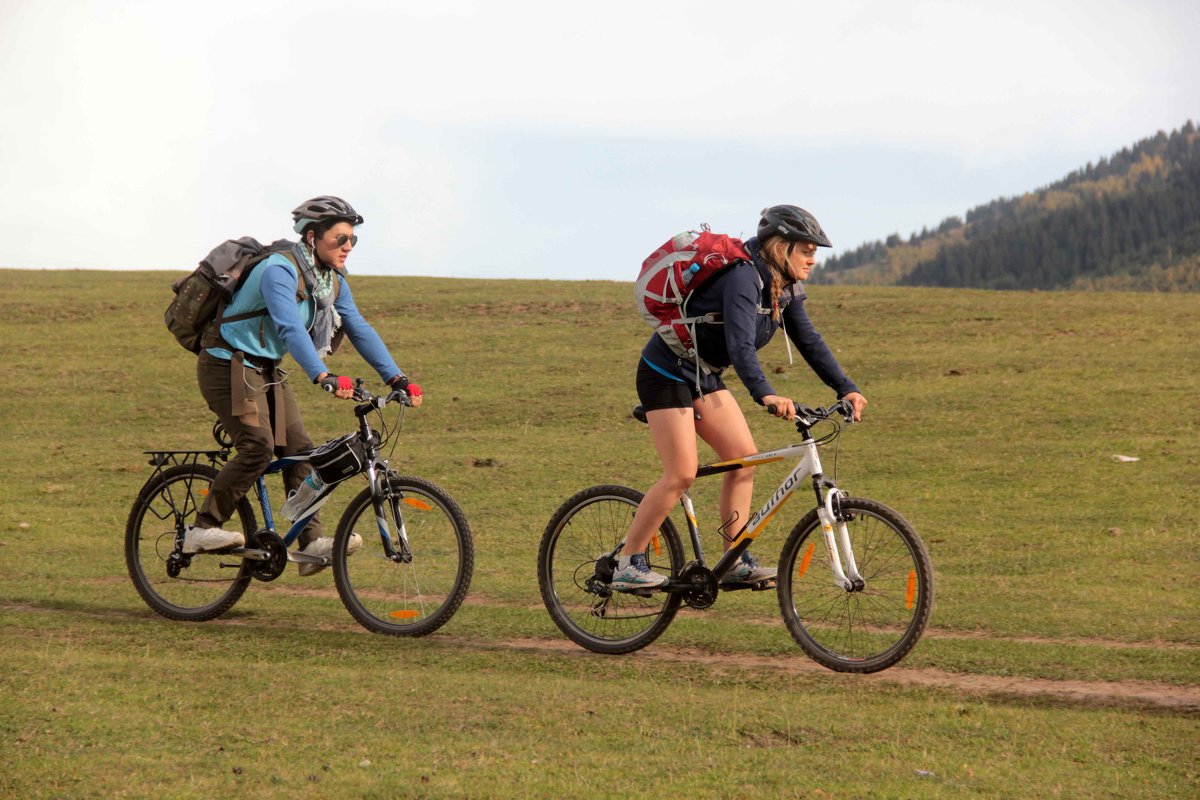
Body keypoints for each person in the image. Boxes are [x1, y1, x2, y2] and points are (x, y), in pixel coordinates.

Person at [612, 205, 868, 589]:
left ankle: (733, 560)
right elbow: (740, 344)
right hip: (664, 372)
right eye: (806, 250)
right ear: (781, 247)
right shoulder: (743, 279)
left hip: (704, 375)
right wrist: (765, 394)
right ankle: (626, 562)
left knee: (742, 461)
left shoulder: (784, 288)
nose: (813, 259)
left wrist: (845, 386)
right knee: (681, 472)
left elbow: (809, 341)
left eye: (815, 251)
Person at [185, 195, 423, 575]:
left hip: (265, 367)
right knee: (258, 447)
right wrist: (322, 375)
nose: (347, 247)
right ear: (311, 237)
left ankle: (310, 542)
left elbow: (358, 328)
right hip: (226, 364)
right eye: (340, 239)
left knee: (302, 452)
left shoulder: (330, 280)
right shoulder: (280, 269)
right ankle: (202, 528)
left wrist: (397, 377)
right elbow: (289, 327)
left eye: (352, 240)